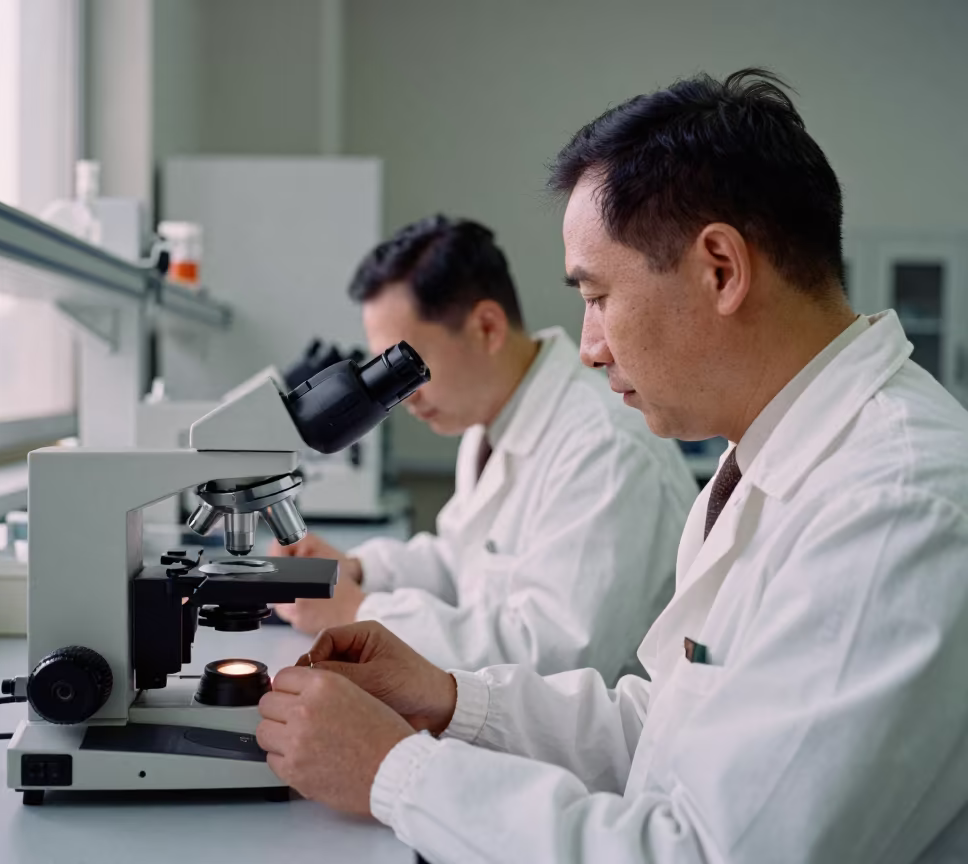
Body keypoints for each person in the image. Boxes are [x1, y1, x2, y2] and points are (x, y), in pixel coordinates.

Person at [253, 69, 968, 862]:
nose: (590, 346)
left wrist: (395, 773)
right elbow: (668, 733)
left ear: (721, 269)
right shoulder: (762, 458)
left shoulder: (892, 504)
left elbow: (705, 851)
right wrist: (450, 698)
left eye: (597, 296)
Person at [271, 215, 698, 680]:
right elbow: (462, 565)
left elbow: (554, 658)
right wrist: (355, 571)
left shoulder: (606, 451)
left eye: (406, 367)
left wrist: (359, 612)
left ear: (487, 328)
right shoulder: (488, 422)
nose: (402, 397)